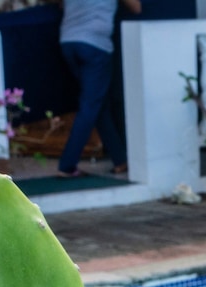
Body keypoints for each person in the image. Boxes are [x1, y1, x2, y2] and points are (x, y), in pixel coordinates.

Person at [57, 0, 141, 177]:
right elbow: (136, 7)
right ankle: (67, 165)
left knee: (98, 105)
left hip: (68, 42)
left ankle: (120, 160)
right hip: (95, 45)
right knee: (90, 106)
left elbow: (61, 5)